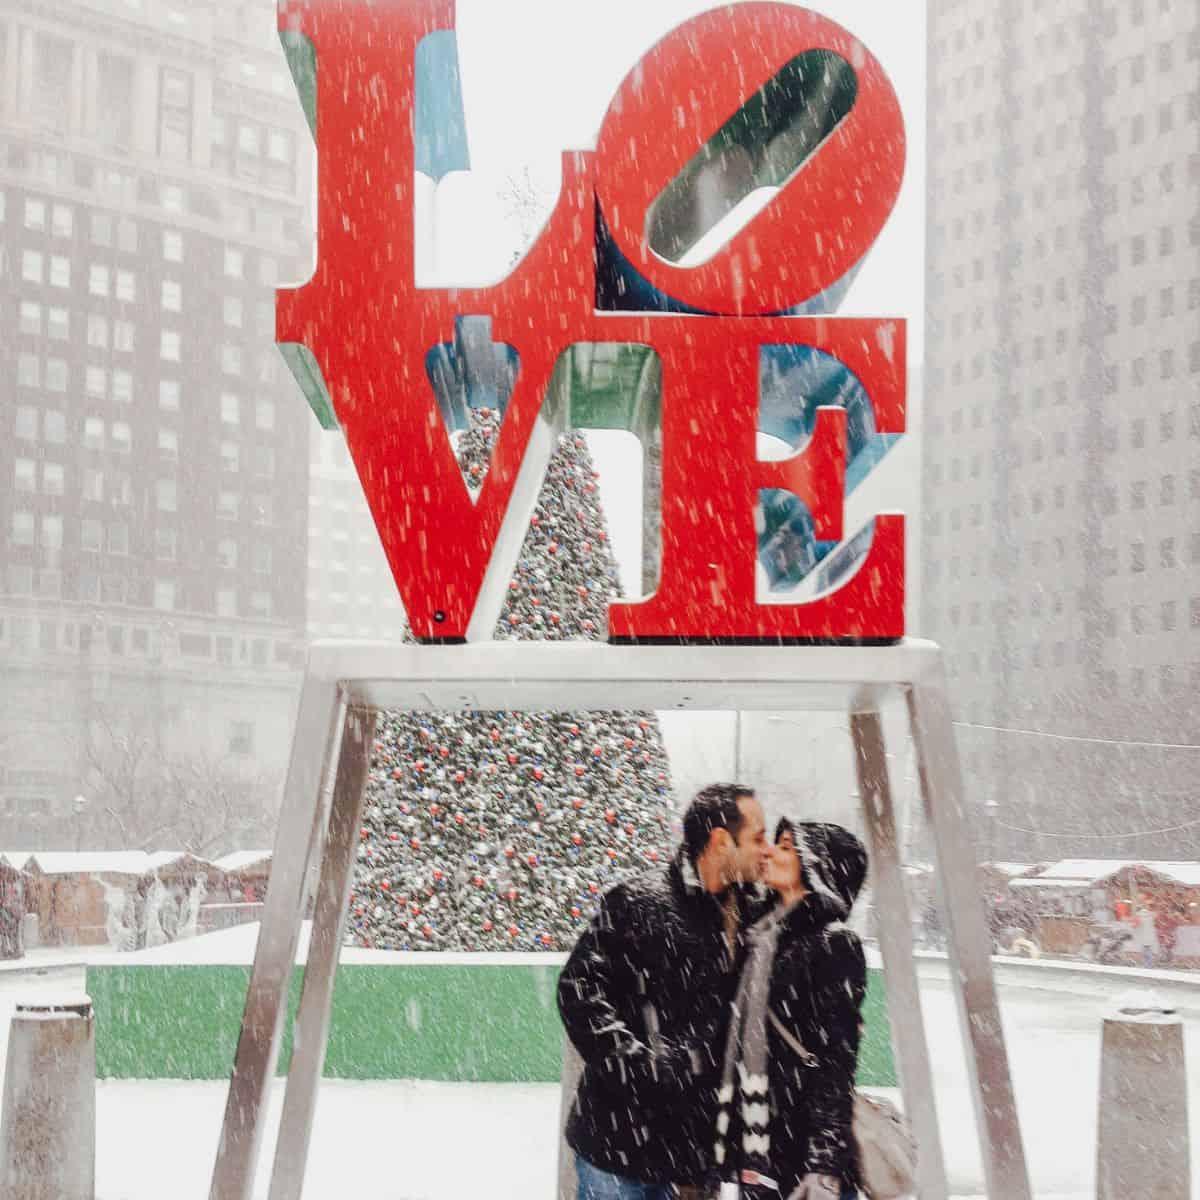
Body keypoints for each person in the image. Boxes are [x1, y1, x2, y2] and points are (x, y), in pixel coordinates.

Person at [558, 782, 769, 1200]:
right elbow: (578, 990)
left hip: (695, 1159)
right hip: (617, 1154)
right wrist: (637, 1064)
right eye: (758, 837)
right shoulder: (637, 902)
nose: (765, 849)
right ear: (721, 841)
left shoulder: (752, 917)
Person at [713, 819, 868, 1200]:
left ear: (818, 867)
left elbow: (836, 1059)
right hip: (762, 1142)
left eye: (784, 846)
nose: (768, 852)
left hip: (804, 1152)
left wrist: (824, 1165)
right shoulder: (762, 933)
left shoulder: (833, 944)